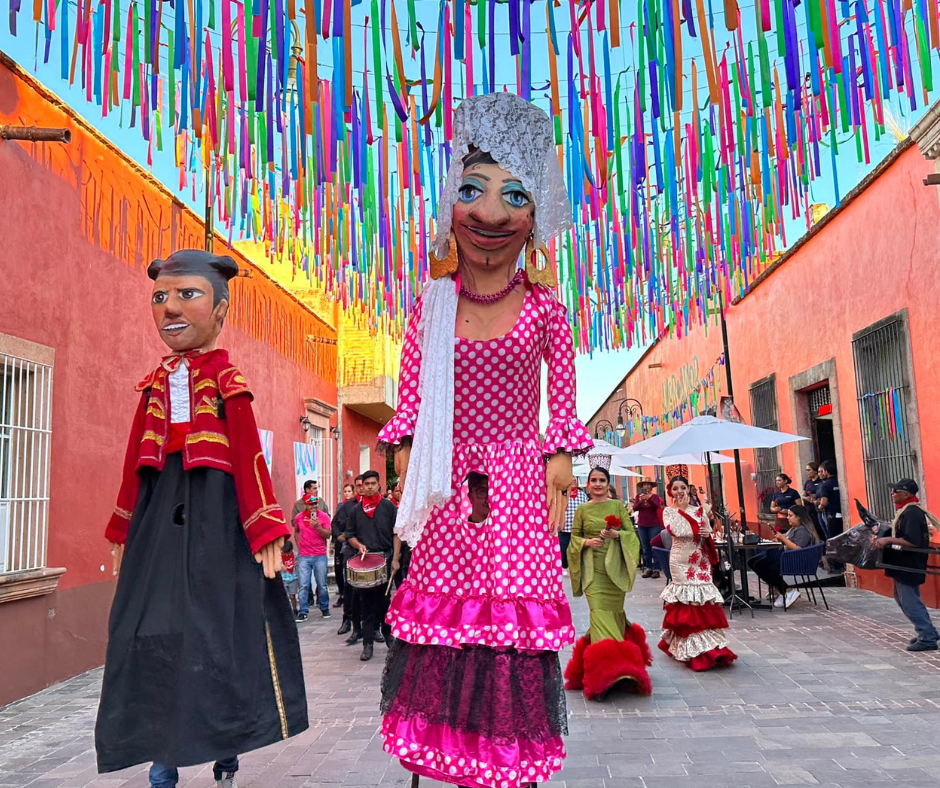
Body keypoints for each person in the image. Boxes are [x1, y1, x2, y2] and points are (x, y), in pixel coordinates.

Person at [377, 93, 591, 788]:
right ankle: (443, 750)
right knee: (443, 615)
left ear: (534, 219)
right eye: (474, 191)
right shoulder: (431, 304)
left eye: (513, 196)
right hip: (445, 481)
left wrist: (560, 458)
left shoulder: (546, 309)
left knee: (510, 619)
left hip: (519, 487)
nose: (492, 214)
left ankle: (505, 760)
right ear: (451, 205)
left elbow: (562, 400)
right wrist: (406, 448)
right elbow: (410, 391)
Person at [96, 250, 307, 787]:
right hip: (159, 522)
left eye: (187, 294)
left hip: (218, 519)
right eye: (160, 297)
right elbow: (131, 463)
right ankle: (162, 757)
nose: (170, 308)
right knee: (154, 635)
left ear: (220, 310)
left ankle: (226, 744)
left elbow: (247, 455)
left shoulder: (227, 380)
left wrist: (264, 527)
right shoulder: (152, 385)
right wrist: (123, 526)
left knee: (222, 633)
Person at [564, 467, 651, 700]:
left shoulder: (617, 506)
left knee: (612, 615)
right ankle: (608, 673)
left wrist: (617, 536)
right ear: (588, 484)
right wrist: (586, 543)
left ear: (607, 483)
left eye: (602, 480)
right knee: (599, 614)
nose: (598, 484)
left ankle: (609, 667)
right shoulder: (582, 509)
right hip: (593, 573)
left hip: (614, 571)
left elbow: (631, 534)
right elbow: (573, 539)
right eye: (594, 480)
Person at [659, 476, 737, 671]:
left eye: (682, 487)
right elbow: (677, 530)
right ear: (670, 491)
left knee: (702, 601)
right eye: (675, 488)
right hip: (680, 560)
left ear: (688, 488)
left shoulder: (699, 510)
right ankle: (687, 646)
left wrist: (705, 533)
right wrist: (686, 513)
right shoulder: (668, 511)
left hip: (699, 559)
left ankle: (707, 646)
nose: (679, 491)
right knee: (686, 603)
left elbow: (706, 529)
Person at [873, 479, 939, 652]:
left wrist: (887, 539)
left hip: (909, 563)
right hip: (902, 562)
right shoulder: (907, 511)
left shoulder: (911, 513)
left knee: (909, 601)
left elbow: (913, 541)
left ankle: (927, 636)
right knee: (902, 599)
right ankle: (926, 631)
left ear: (908, 494)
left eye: (897, 491)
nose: (892, 493)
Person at [345, 470, 401, 661]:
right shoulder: (355, 511)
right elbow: (350, 535)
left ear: (379, 485)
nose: (369, 486)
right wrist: (358, 545)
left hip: (385, 559)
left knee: (385, 603)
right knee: (366, 606)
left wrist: (395, 558)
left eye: (372, 483)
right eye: (366, 483)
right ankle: (367, 644)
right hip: (365, 563)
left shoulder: (388, 508)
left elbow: (397, 533)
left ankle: (388, 635)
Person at [748, 505, 818, 608]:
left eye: (790, 515)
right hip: (787, 557)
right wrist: (780, 538)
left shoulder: (803, 531)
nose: (787, 518)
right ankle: (778, 588)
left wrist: (783, 539)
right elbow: (788, 540)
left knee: (766, 566)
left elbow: (798, 548)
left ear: (798, 517)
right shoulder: (794, 529)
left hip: (796, 560)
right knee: (753, 562)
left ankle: (786, 590)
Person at [293, 493, 332, 622]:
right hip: (304, 555)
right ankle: (303, 611)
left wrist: (318, 527)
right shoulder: (299, 517)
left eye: (315, 503)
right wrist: (299, 546)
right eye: (310, 504)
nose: (313, 506)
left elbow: (327, 535)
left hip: (319, 554)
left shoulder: (324, 516)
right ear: (305, 505)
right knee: (303, 585)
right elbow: (296, 531)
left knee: (322, 584)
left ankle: (324, 607)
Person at [331, 483, 356, 624]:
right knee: (343, 578)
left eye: (349, 491)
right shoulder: (343, 507)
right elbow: (334, 524)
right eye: (345, 491)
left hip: (360, 548)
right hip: (344, 548)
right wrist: (338, 536)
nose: (347, 493)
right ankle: (347, 618)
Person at [632, 480, 664, 579]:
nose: (646, 486)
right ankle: (649, 568)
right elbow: (635, 508)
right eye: (644, 485)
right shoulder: (639, 496)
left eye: (648, 484)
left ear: (651, 487)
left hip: (653, 524)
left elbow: (656, 506)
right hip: (642, 525)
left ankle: (656, 569)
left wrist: (648, 499)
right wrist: (641, 500)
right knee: (645, 548)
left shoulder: (654, 497)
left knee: (654, 546)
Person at [560, 479, 589, 577]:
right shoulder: (562, 494)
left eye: (575, 480)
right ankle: (565, 566)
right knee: (564, 548)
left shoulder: (582, 495)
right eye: (571, 480)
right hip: (565, 527)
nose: (573, 482)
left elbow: (586, 509)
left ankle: (578, 567)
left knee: (578, 548)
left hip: (578, 527)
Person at [815, 460, 842, 537]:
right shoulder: (839, 481)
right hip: (840, 512)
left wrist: (819, 506)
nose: (821, 473)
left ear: (826, 471)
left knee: (832, 538)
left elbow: (824, 503)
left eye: (822, 471)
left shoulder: (825, 485)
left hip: (831, 515)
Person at [281, 540, 300, 616]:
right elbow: (276, 567)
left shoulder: (295, 555)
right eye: (285, 553)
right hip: (283, 579)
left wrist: (297, 563)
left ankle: (295, 609)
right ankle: (286, 611)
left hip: (293, 578)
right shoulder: (279, 557)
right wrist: (281, 568)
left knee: (292, 596)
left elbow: (300, 561)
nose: (287, 555)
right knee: (284, 597)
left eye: (288, 553)